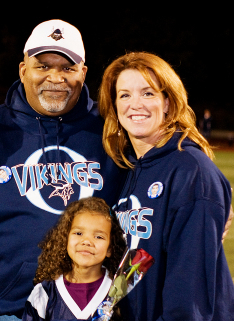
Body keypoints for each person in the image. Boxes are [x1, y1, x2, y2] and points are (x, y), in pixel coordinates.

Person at [0, 19, 125, 320]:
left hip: (88, 309)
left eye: (67, 68)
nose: (55, 77)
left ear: (83, 73)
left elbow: (161, 160)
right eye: (43, 66)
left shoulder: (111, 131)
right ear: (23, 70)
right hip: (3, 309)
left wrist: (204, 185)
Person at [98, 51, 234, 320]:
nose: (135, 104)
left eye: (148, 93)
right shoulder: (131, 167)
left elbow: (189, 294)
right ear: (114, 105)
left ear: (168, 102)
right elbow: (139, 259)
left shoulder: (192, 172)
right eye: (124, 95)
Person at [22, 197, 125, 321]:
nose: (87, 241)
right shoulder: (45, 292)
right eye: (79, 233)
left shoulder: (119, 292)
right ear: (65, 239)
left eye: (98, 236)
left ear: (110, 248)